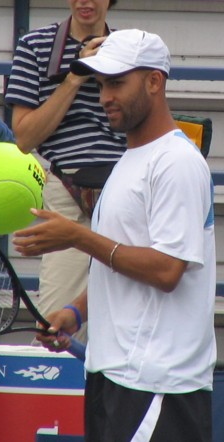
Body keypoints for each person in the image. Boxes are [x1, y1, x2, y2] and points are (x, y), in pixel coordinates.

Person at [13, 29, 216, 441]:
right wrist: (75, 313)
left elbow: (167, 269)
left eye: (118, 82)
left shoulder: (176, 162)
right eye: (102, 84)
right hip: (115, 378)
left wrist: (78, 237)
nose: (106, 95)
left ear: (155, 82)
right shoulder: (129, 159)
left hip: (158, 386)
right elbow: (121, 263)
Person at [5, 0, 126, 343]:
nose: (85, 1)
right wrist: (75, 75)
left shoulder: (128, 48)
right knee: (55, 324)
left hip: (125, 190)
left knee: (123, 314)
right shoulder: (34, 47)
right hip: (67, 189)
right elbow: (25, 137)